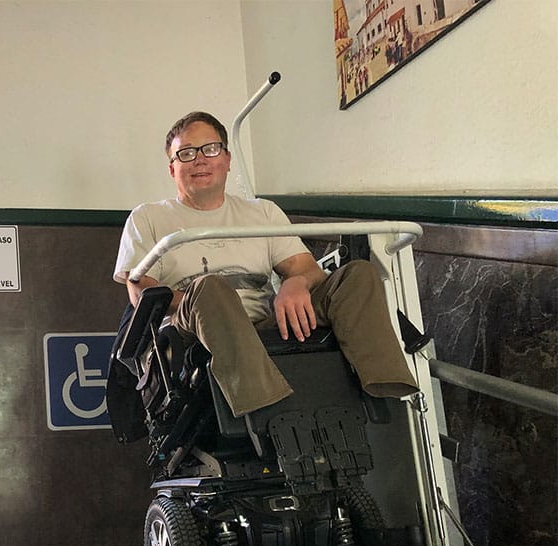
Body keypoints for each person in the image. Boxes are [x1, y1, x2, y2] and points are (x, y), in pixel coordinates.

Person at [112, 111, 418, 418]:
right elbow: (141, 292)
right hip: (189, 327)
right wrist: (210, 305)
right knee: (210, 288)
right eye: (186, 153)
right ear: (172, 168)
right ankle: (266, 413)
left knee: (357, 276)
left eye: (210, 148)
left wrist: (294, 283)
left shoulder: (262, 212)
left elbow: (306, 268)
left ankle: (386, 397)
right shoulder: (148, 217)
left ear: (228, 159)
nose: (200, 160)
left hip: (261, 322)